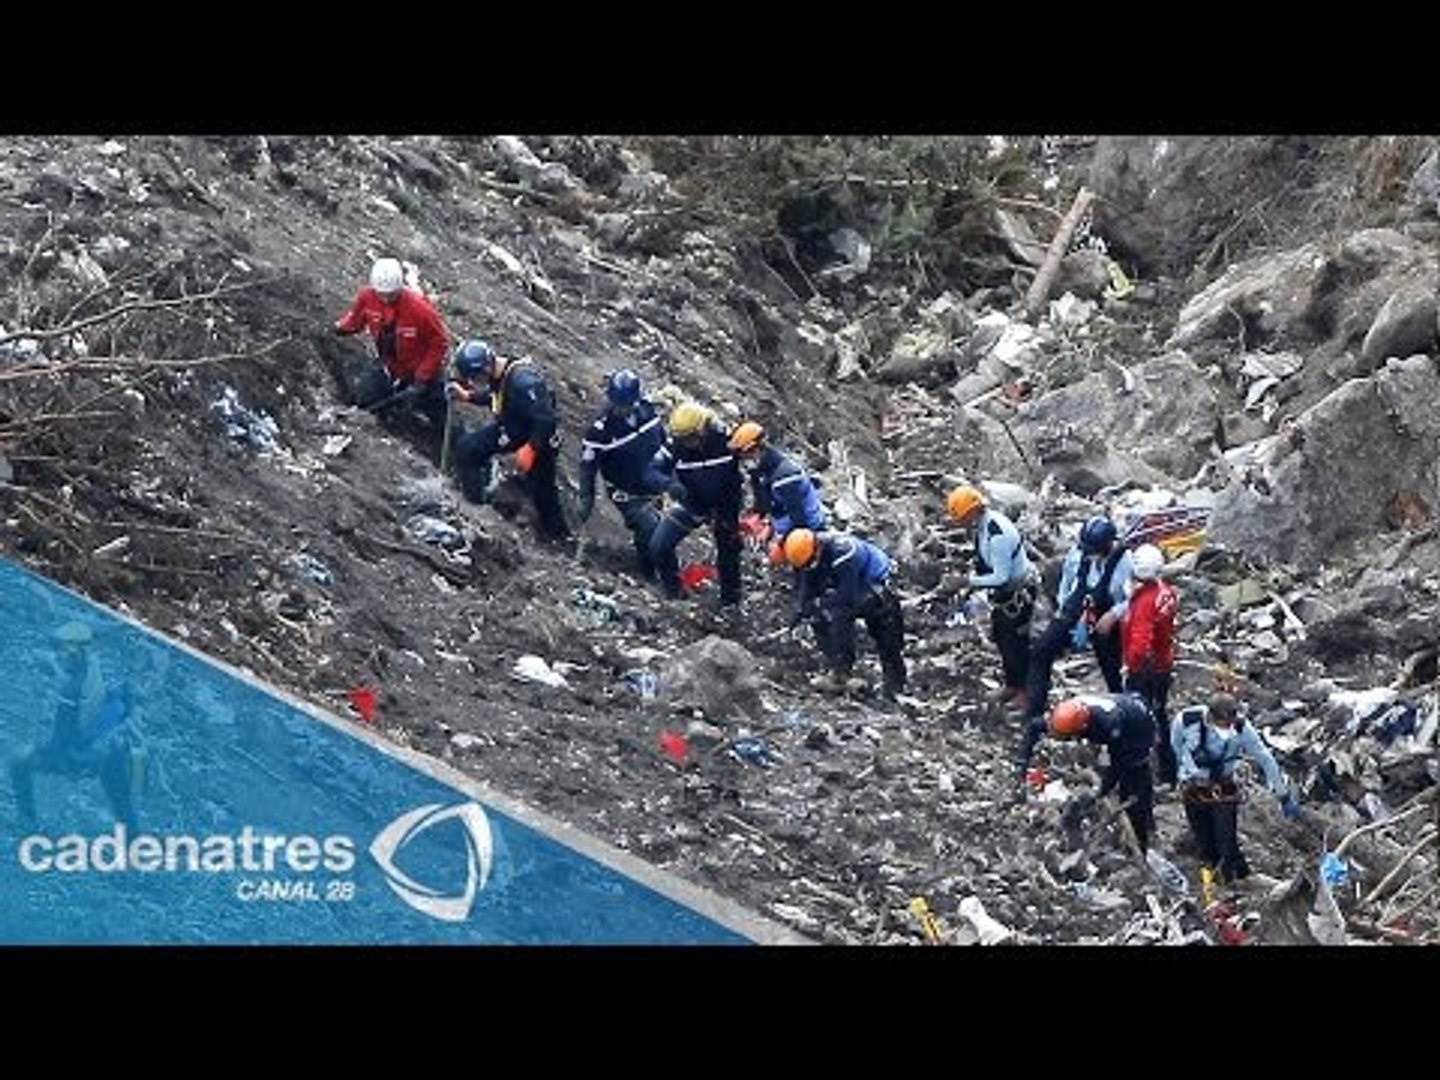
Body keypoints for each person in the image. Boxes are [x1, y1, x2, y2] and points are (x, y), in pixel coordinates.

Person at [8, 622, 146, 831]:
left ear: (76, 653)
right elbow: (123, 696)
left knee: (18, 761)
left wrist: (39, 748)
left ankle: (27, 823)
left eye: (62, 651)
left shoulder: (71, 690)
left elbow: (60, 742)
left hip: (82, 757)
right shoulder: (96, 667)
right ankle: (134, 842)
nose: (59, 657)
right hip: (113, 747)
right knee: (121, 803)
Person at [449, 339, 571, 541]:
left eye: (475, 377)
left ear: (485, 368)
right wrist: (468, 396)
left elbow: (546, 419)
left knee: (543, 492)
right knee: (467, 450)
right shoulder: (500, 376)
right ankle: (476, 505)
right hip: (512, 428)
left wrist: (531, 448)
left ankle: (560, 537)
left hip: (537, 438)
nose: (474, 381)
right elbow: (498, 397)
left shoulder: (524, 381)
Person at [1173, 692, 1299, 884]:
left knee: (1226, 839)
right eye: (1225, 724)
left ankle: (1235, 879)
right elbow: (1176, 747)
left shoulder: (1241, 728)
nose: (1228, 728)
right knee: (1205, 841)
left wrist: (1283, 795)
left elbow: (1265, 759)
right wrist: (1183, 775)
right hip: (1194, 787)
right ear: (1211, 717)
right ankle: (1217, 879)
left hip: (1223, 787)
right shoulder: (1186, 721)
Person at [1023, 516, 1134, 724]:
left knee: (1112, 670)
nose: (1089, 555)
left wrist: (1114, 615)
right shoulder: (1078, 554)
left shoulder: (1125, 562)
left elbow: (1132, 599)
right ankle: (1034, 714)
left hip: (1107, 616)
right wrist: (1065, 613)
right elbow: (1067, 583)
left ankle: (1125, 714)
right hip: (1076, 610)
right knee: (1040, 652)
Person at [333, 257, 450, 451]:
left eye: (391, 295)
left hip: (421, 370)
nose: (386, 299)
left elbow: (439, 342)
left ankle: (444, 443)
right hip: (391, 366)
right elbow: (356, 318)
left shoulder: (420, 309)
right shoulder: (367, 298)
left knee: (438, 412)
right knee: (370, 397)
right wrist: (341, 328)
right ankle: (388, 426)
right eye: (382, 294)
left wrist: (422, 378)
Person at [1015, 692, 1156, 852]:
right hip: (1113, 713)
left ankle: (1143, 831)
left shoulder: (1107, 725)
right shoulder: (1065, 714)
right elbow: (1034, 727)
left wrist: (1101, 791)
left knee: (1133, 777)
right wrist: (1021, 764)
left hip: (1137, 725)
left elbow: (1118, 763)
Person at [945, 485, 1039, 710]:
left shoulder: (998, 533)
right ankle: (1012, 684)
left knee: (1016, 642)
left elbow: (1000, 576)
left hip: (1018, 593)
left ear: (972, 512)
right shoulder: (981, 527)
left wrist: (968, 581)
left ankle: (1026, 691)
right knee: (1002, 637)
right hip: (1004, 595)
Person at [784, 528, 907, 698]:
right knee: (817, 616)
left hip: (875, 583)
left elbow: (846, 596)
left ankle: (892, 684)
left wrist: (821, 604)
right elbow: (807, 591)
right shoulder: (809, 556)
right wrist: (801, 612)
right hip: (846, 583)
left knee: (847, 616)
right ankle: (836, 664)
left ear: (816, 550)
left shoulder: (844, 552)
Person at [576, 368, 673, 577]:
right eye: (619, 406)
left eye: (627, 406)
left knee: (665, 529)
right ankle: (649, 574)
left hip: (656, 481)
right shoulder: (600, 430)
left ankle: (659, 565)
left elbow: (663, 440)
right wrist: (586, 499)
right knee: (649, 527)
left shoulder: (647, 412)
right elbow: (588, 468)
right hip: (627, 491)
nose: (623, 411)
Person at [649, 402, 743, 609]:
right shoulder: (676, 445)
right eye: (684, 439)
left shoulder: (726, 440)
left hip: (724, 505)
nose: (688, 443)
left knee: (729, 552)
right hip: (691, 503)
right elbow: (652, 470)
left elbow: (751, 467)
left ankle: (731, 602)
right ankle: (674, 593)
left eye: (691, 437)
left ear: (703, 429)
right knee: (659, 545)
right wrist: (670, 485)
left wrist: (736, 513)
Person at [1122, 543, 1180, 787]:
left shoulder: (1145, 602)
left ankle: (1146, 770)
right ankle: (1167, 770)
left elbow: (1140, 642)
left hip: (1147, 670)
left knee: (1143, 718)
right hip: (1163, 663)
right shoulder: (1165, 592)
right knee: (1159, 714)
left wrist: (1132, 666)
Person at [728, 421, 828, 544]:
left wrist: (781, 543)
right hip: (786, 529)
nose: (745, 461)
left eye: (745, 456)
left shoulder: (785, 477)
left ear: (755, 450)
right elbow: (765, 506)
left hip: (809, 534)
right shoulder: (763, 471)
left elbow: (800, 521)